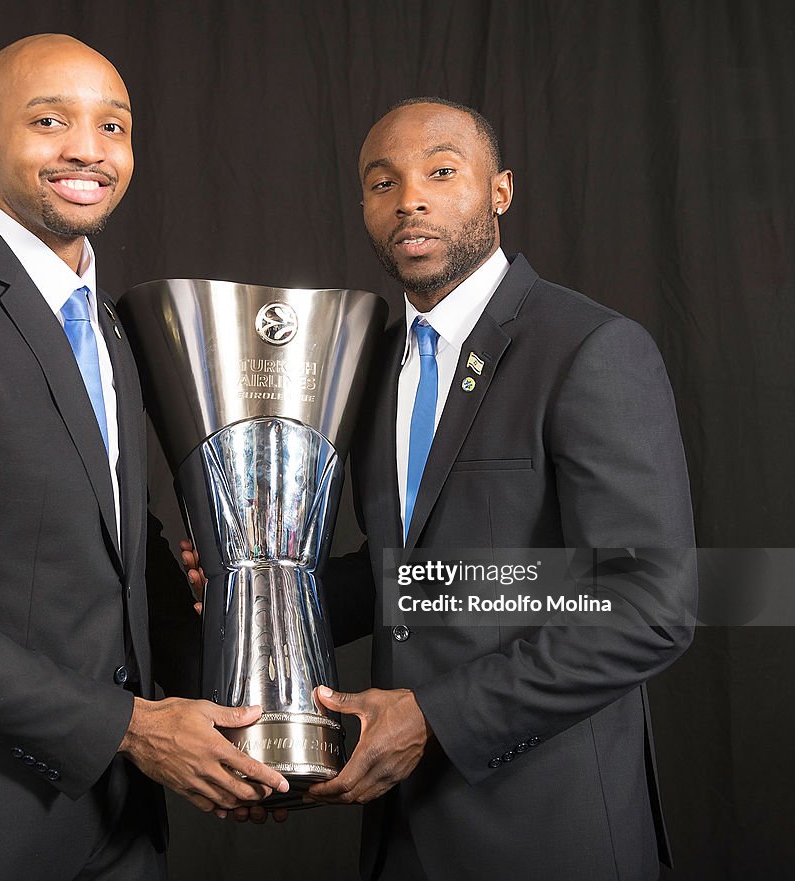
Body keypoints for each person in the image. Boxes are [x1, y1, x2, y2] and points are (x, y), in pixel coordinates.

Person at [185, 98, 695, 879]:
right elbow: (415, 573)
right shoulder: (372, 362)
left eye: (441, 172)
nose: (409, 198)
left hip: (550, 830)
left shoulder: (590, 348)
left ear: (501, 190)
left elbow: (649, 606)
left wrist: (435, 718)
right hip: (401, 830)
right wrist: (266, 587)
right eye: (382, 182)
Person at [0, 34, 287, 881]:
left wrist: (224, 710)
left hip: (117, 823)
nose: (87, 148)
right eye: (49, 120)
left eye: (113, 126)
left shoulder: (108, 323)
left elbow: (94, 537)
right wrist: (130, 728)